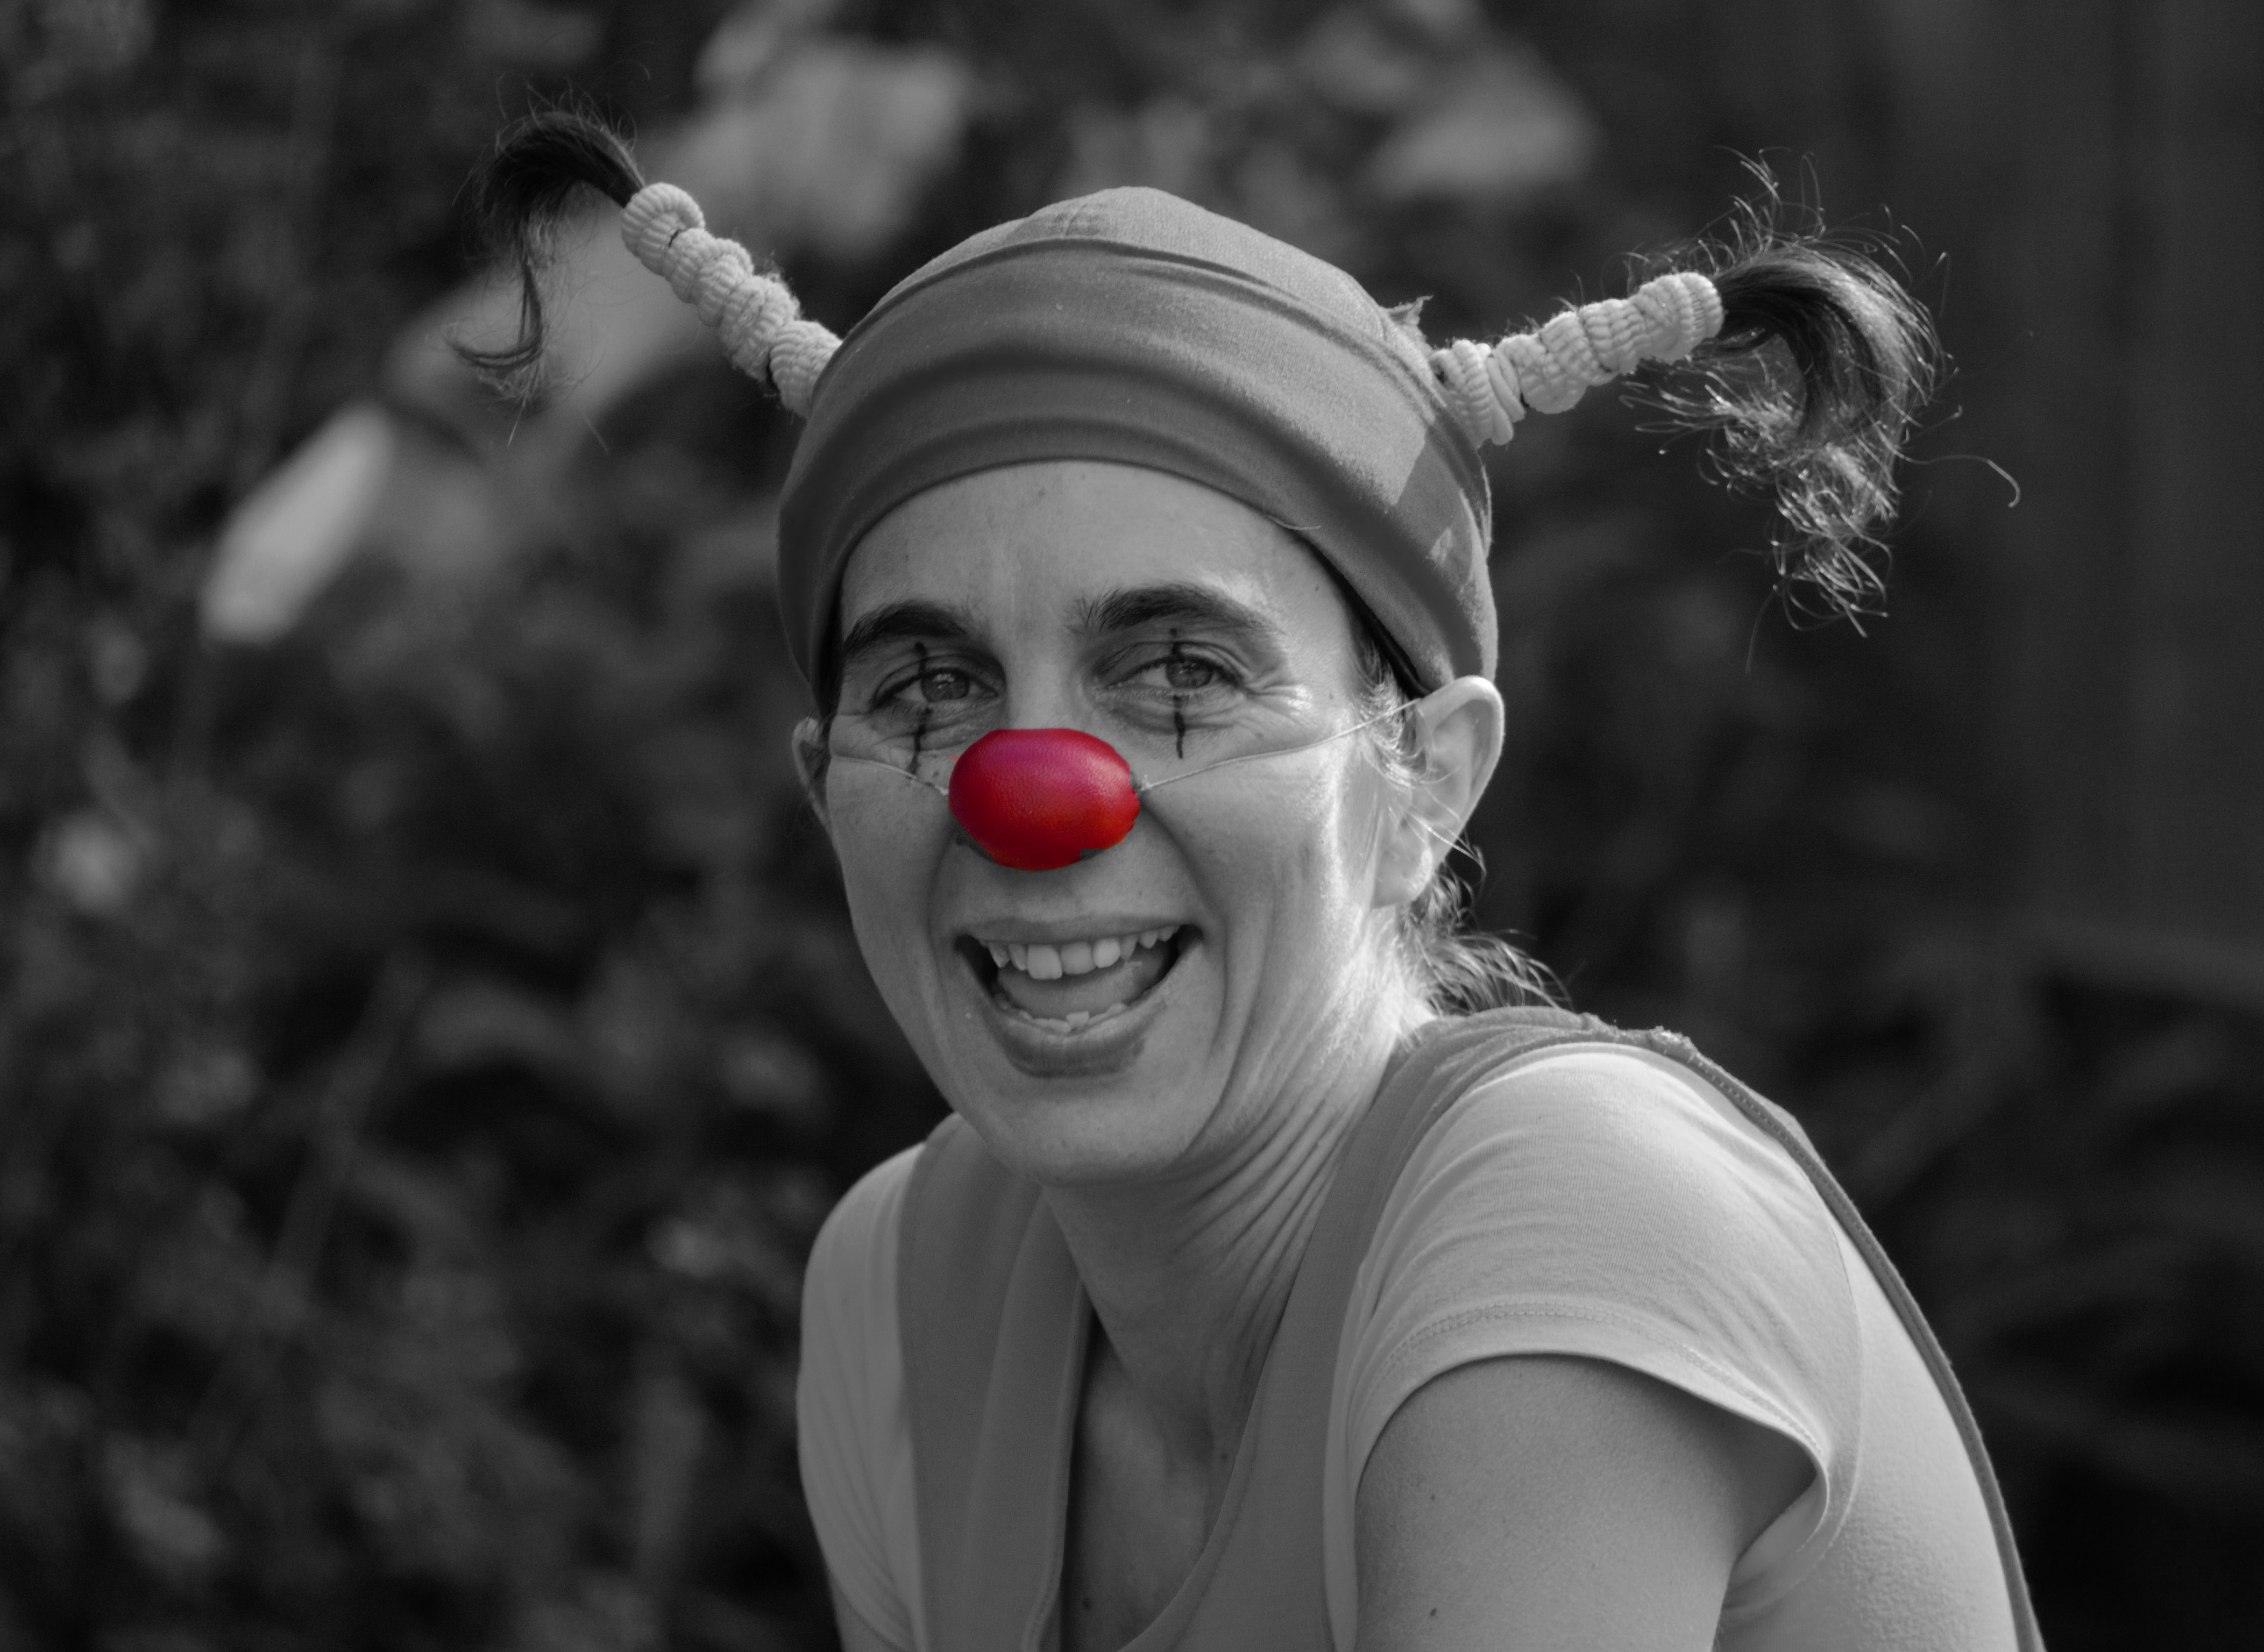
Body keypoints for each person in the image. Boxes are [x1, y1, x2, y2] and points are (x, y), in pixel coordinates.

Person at [466, 111, 2042, 1651]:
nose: (1032, 797)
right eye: (931, 688)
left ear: (1427, 781)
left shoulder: (1579, 1220)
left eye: (1180, 673)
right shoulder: (899, 1295)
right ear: (828, 792)